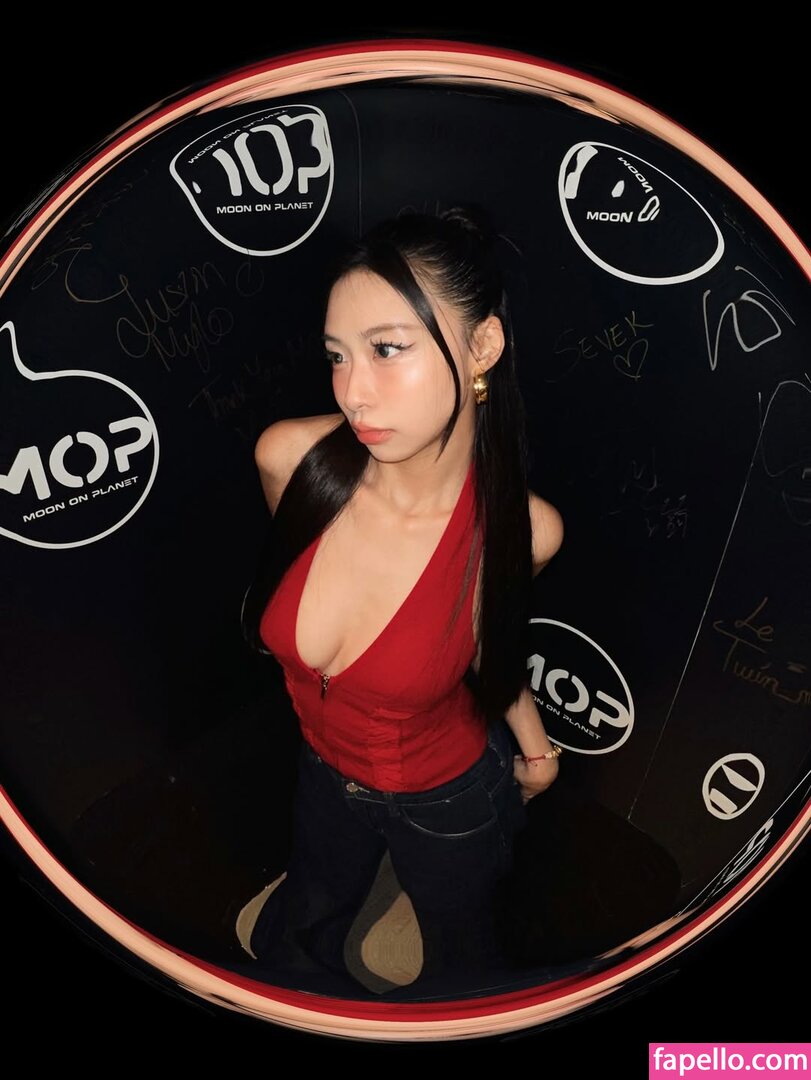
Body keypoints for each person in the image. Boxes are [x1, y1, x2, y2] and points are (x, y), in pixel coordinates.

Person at [239, 206, 564, 997]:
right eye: (336, 356)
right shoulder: (291, 460)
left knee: (461, 961)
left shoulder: (521, 530)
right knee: (305, 922)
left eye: (386, 349)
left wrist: (535, 751)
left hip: (446, 796)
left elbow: (485, 647)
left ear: (481, 348)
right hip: (323, 771)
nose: (353, 392)